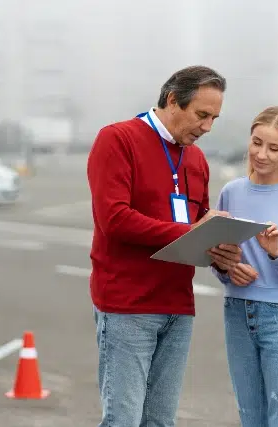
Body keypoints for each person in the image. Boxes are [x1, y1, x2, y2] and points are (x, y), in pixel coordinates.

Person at [86, 65, 242, 426]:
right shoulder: (117, 139)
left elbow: (200, 228)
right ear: (173, 100)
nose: (207, 127)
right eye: (201, 115)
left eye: (214, 118)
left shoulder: (198, 159)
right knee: (122, 420)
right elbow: (115, 219)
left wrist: (222, 254)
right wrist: (189, 232)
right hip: (127, 306)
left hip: (177, 306)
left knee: (160, 422)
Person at [211, 106, 278, 427]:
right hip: (237, 314)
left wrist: (276, 253)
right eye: (256, 142)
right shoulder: (231, 192)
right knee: (252, 418)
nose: (261, 154)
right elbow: (219, 256)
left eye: (274, 148)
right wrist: (227, 269)